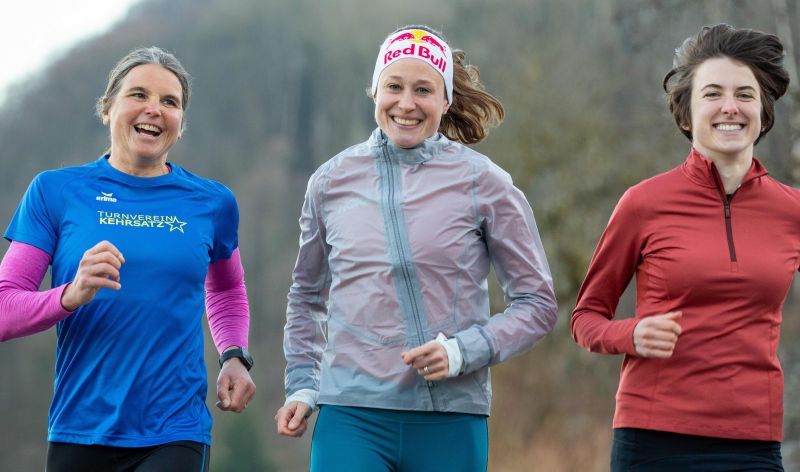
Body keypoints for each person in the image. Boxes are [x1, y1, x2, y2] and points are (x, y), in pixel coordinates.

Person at [275, 25, 557, 471]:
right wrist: (303, 385)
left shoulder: (485, 183)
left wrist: (462, 351)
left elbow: (537, 303)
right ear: (374, 93)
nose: (406, 103)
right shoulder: (330, 182)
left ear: (445, 101)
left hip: (450, 416)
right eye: (394, 86)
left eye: (423, 89)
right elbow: (307, 297)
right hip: (351, 414)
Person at [0, 47, 256, 472]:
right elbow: (5, 309)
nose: (154, 109)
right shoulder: (54, 192)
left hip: (176, 429)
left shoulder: (212, 203)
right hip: (80, 428)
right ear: (106, 109)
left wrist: (233, 354)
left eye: (170, 102)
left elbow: (227, 287)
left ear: (180, 124)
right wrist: (69, 295)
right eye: (138, 94)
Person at [571, 23, 797, 471]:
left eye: (744, 95)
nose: (729, 107)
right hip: (653, 439)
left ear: (764, 113)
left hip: (753, 441)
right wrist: (630, 333)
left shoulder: (792, 210)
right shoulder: (643, 203)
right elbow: (585, 319)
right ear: (686, 114)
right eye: (712, 94)